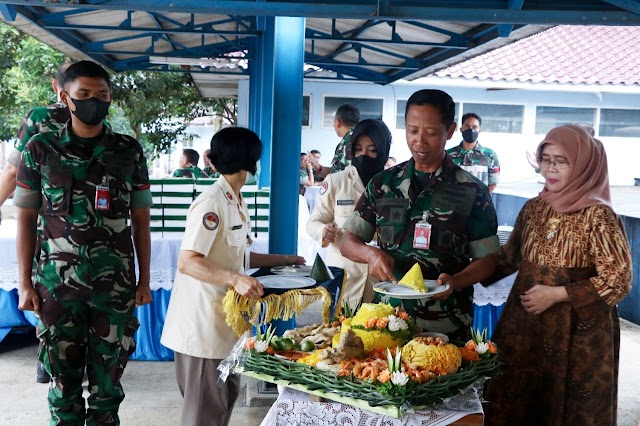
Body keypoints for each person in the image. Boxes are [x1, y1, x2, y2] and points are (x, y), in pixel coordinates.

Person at [14, 60, 153, 425]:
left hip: (115, 286)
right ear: (65, 97)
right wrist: (25, 283)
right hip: (57, 287)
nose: (95, 101)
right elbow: (26, 218)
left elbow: (140, 220)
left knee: (109, 385)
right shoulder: (39, 149)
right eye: (85, 95)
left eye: (103, 95)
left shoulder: (129, 151)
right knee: (63, 383)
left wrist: (145, 280)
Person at [483, 125, 632, 426]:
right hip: (527, 329)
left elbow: (619, 279)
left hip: (579, 336)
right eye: (545, 159)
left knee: (568, 411)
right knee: (516, 402)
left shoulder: (599, 216)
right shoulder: (534, 208)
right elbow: (507, 259)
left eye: (561, 161)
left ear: (583, 164)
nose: (550, 169)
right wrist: (456, 274)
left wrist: (558, 294)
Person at [160, 127, 304, 426]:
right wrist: (236, 279)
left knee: (222, 405)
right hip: (202, 331)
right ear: (249, 162)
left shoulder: (234, 199)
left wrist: (286, 260)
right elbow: (188, 262)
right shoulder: (212, 203)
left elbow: (236, 255)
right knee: (203, 415)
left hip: (225, 326)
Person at [340, 89, 499, 341]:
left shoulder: (471, 191)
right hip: (386, 322)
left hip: (447, 325)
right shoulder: (384, 183)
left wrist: (456, 281)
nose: (420, 141)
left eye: (431, 133)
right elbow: (348, 242)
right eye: (413, 131)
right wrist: (370, 253)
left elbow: (489, 260)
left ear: (450, 131)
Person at [307, 119, 392, 306]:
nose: (364, 155)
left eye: (372, 150)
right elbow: (313, 222)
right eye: (359, 149)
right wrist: (323, 231)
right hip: (343, 283)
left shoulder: (393, 185)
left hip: (381, 285)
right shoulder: (336, 181)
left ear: (384, 151)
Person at [0, 63, 72, 217]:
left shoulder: (40, 118)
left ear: (55, 85)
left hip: (51, 226)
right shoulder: (102, 124)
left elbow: (13, 170)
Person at [446, 113, 500, 192]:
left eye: (474, 127)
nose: (471, 130)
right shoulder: (448, 155)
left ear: (479, 131)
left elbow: (493, 183)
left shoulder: (490, 155)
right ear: (461, 129)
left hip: (480, 202)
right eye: (467, 126)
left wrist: (482, 199)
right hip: (454, 202)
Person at [310, 104, 360, 177]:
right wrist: (318, 167)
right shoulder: (356, 137)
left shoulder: (349, 142)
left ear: (338, 122)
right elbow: (338, 173)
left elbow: (348, 178)